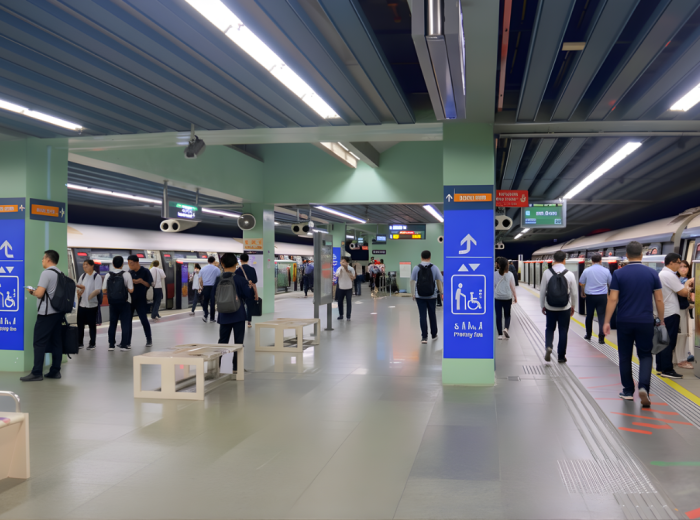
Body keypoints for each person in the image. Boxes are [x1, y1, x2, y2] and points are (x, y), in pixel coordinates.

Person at [603, 241, 664, 406]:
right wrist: (662, 320)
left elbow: (613, 299)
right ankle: (644, 388)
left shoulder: (618, 274)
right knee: (645, 355)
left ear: (627, 256)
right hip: (645, 321)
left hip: (624, 321)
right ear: (642, 255)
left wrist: (607, 321)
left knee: (624, 356)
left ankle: (628, 391)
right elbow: (659, 299)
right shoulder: (652, 273)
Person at [20, 250, 66, 381]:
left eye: (43, 258)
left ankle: (36, 373)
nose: (42, 261)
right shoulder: (60, 273)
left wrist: (32, 292)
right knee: (57, 342)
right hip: (58, 313)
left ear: (48, 260)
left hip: (46, 314)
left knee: (39, 343)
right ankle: (55, 371)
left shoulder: (46, 273)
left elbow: (40, 293)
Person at [656, 253, 694, 379]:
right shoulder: (669, 275)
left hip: (663, 312)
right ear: (671, 263)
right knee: (669, 342)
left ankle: (660, 367)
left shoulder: (661, 274)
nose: (679, 265)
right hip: (670, 312)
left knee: (662, 340)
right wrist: (689, 284)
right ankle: (667, 369)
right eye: (678, 263)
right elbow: (683, 293)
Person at [217, 253, 253, 373]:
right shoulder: (240, 279)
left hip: (223, 315)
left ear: (222, 264)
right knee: (238, 342)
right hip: (238, 314)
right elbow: (248, 295)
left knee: (222, 342)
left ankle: (216, 367)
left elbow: (213, 296)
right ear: (236, 264)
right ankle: (236, 368)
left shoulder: (218, 279)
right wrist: (250, 287)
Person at [539, 250, 578, 363]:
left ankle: (548, 346)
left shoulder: (547, 272)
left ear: (553, 259)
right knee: (563, 330)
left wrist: (543, 305)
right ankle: (561, 356)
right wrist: (573, 306)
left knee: (550, 328)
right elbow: (574, 293)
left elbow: (542, 291)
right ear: (564, 260)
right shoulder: (569, 274)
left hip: (550, 307)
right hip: (564, 307)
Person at [410, 250, 444, 344]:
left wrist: (413, 293)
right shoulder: (435, 268)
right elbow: (440, 280)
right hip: (432, 295)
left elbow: (412, 281)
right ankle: (434, 335)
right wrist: (441, 293)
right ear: (430, 257)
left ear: (421, 257)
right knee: (432, 315)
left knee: (422, 315)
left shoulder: (416, 268)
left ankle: (424, 337)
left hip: (419, 296)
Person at [102, 255, 134, 352]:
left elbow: (104, 290)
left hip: (113, 303)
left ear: (113, 264)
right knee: (125, 324)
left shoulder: (108, 275)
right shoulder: (126, 274)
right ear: (122, 264)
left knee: (112, 324)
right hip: (125, 302)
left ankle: (111, 345)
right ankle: (124, 345)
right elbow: (131, 290)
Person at [579, 253, 612, 344]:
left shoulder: (587, 270)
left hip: (590, 296)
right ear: (601, 260)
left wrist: (583, 292)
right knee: (601, 316)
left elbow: (581, 282)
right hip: (602, 297)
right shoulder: (606, 271)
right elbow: (610, 283)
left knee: (589, 315)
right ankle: (601, 338)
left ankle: (588, 335)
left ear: (592, 261)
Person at [128, 255, 153, 348]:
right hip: (130, 300)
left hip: (141, 300)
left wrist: (141, 281)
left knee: (143, 319)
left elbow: (148, 284)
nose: (130, 266)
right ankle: (127, 341)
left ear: (137, 262)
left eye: (132, 264)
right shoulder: (129, 272)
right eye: (129, 264)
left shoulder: (145, 271)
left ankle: (149, 339)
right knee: (128, 321)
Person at [76, 259, 102, 350]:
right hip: (82, 305)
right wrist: (79, 292)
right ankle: (80, 343)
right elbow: (79, 287)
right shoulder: (82, 276)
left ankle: (92, 343)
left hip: (92, 305)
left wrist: (89, 296)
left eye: (86, 265)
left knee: (92, 325)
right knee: (80, 325)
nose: (84, 266)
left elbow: (98, 290)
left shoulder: (96, 276)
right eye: (83, 265)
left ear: (92, 266)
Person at [494, 257, 517, 340]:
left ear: (498, 265)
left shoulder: (494, 274)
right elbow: (513, 287)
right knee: (507, 315)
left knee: (498, 316)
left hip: (497, 298)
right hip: (507, 297)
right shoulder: (510, 274)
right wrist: (515, 297)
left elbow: (493, 287)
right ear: (507, 265)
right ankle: (506, 329)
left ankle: (500, 335)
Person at [677, 260, 694, 369]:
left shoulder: (686, 280)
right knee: (681, 334)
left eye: (685, 267)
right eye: (681, 267)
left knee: (684, 334)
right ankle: (681, 360)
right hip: (679, 310)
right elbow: (683, 294)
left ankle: (681, 357)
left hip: (685, 310)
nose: (683, 269)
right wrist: (687, 284)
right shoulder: (678, 281)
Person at [235, 253, 259, 328]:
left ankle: (241, 320)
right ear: (248, 260)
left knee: (240, 304)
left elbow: (236, 281)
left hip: (241, 290)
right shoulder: (252, 269)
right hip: (250, 290)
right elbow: (255, 280)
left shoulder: (238, 270)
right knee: (249, 306)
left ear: (240, 260)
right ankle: (249, 322)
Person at [200, 256, 220, 322]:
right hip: (213, 287)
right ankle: (212, 318)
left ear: (208, 261)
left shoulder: (203, 269)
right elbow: (219, 279)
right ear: (214, 261)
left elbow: (200, 279)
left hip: (205, 287)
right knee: (212, 302)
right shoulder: (216, 269)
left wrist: (202, 286)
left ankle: (205, 315)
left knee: (205, 301)